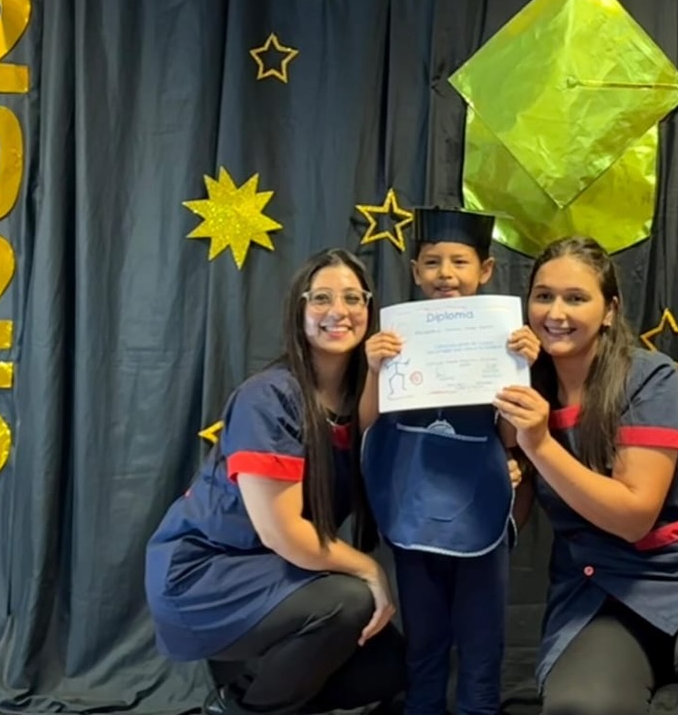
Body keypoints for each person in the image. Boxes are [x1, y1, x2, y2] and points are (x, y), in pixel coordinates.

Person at [494, 236, 678, 715]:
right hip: (599, 591)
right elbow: (511, 519)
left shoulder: (649, 377)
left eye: (576, 298)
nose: (556, 312)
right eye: (543, 296)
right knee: (581, 709)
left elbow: (633, 517)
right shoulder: (521, 390)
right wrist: (501, 469)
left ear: (610, 311)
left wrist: (540, 445)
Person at [145, 248, 405, 715]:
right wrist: (370, 569)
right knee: (349, 601)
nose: (339, 311)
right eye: (321, 298)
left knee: (389, 666)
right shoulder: (269, 397)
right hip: (205, 575)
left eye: (353, 298)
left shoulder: (359, 396)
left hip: (278, 579)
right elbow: (281, 532)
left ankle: (252, 692)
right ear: (298, 310)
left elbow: (374, 443)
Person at [359, 207, 539, 715]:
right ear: (415, 271)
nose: (446, 274)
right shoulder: (393, 339)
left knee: (482, 641)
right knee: (424, 639)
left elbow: (510, 438)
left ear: (485, 269)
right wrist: (373, 370)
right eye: (432, 262)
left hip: (480, 505)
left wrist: (521, 368)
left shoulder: (505, 337)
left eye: (459, 262)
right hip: (412, 507)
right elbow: (367, 424)